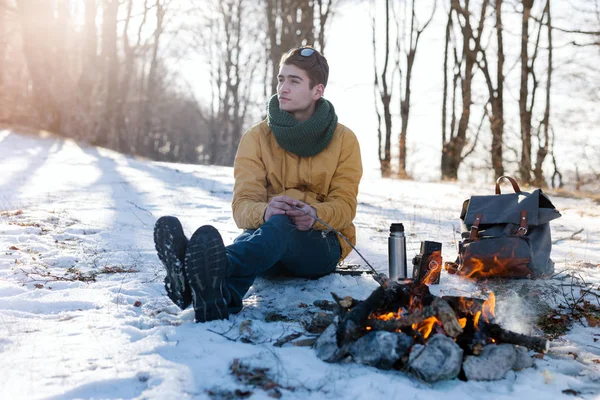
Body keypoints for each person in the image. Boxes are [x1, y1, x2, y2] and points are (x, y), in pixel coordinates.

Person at [153, 46, 363, 322]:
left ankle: (198, 273)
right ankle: (216, 298)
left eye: (294, 81)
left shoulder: (344, 140)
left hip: (320, 245)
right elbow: (242, 205)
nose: (282, 88)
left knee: (276, 228)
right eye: (281, 79)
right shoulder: (257, 137)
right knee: (268, 230)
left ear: (317, 91)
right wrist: (265, 211)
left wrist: (315, 216)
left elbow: (345, 206)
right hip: (267, 242)